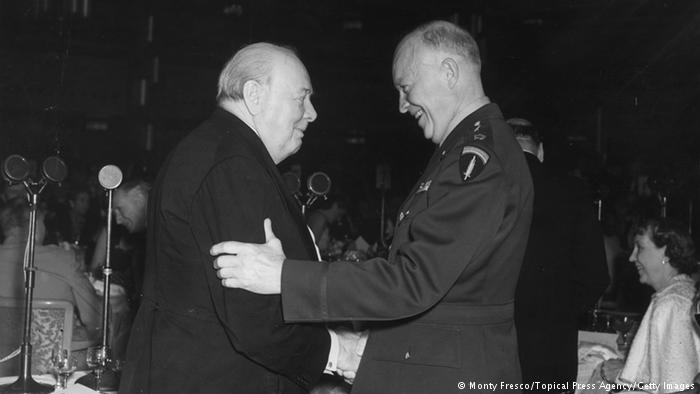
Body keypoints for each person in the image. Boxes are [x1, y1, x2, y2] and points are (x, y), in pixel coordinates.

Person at [211, 20, 534, 393]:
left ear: (449, 72)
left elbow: (414, 281)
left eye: (406, 87)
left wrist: (284, 276)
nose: (401, 105)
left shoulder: (477, 159)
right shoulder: (462, 151)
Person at [119, 43, 361, 394]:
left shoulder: (218, 150)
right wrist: (341, 354)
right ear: (254, 95)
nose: (312, 113)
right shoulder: (233, 164)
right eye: (301, 97)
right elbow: (256, 317)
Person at [507, 118, 609, 390]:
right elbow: (596, 276)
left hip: (497, 345)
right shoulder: (573, 192)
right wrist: (560, 311)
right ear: (540, 152)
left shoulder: (484, 193)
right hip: (553, 347)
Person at [590, 218, 700, 393]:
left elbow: (676, 385)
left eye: (639, 247)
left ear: (666, 252)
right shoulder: (682, 292)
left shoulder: (670, 304)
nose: (632, 257)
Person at [0, 197, 101, 353]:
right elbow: (94, 318)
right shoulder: (62, 259)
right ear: (35, 226)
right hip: (50, 363)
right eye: (43, 222)